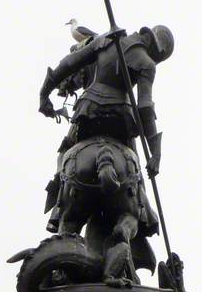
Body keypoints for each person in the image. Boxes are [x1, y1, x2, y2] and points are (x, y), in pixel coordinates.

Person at [39, 25, 174, 232]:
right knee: (133, 166)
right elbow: (145, 107)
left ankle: (59, 208)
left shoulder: (107, 40)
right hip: (120, 120)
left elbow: (70, 63)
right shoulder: (147, 64)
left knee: (66, 151)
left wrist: (45, 92)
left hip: (88, 113)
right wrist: (155, 154)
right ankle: (141, 210)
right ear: (159, 52)